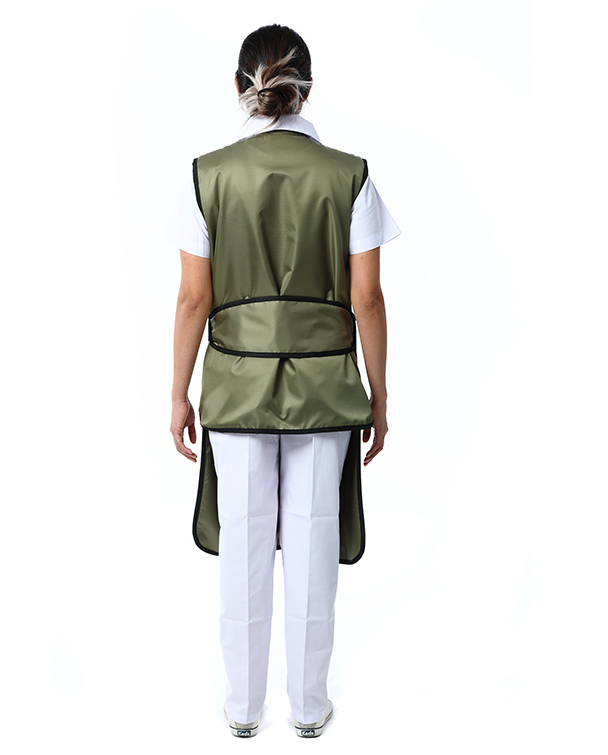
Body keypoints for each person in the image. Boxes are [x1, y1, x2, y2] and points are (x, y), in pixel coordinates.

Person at [170, 24, 400, 738]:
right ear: (308, 88)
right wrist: (379, 396)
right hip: (326, 389)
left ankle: (243, 711)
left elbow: (194, 300)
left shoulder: (207, 175)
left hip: (235, 388)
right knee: (313, 543)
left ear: (241, 87)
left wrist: (177, 393)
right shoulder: (350, 175)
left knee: (242, 544)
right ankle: (308, 708)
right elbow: (367, 298)